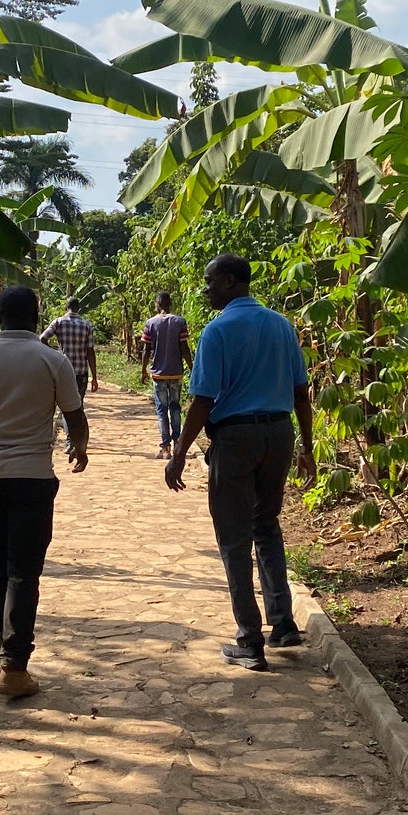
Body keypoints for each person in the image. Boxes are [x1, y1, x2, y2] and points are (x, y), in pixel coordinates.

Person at [165, 253, 315, 670]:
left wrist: (179, 452)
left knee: (233, 538)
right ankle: (283, 623)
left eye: (211, 281)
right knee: (266, 525)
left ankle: (249, 639)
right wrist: (307, 447)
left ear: (231, 281)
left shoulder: (218, 331)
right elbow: (301, 392)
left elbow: (204, 400)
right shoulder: (282, 326)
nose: (206, 288)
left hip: (235, 438)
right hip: (279, 433)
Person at [0, 284, 88, 699]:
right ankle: (14, 667)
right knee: (24, 567)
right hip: (31, 477)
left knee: (1, 551)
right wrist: (80, 448)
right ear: (37, 317)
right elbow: (74, 416)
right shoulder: (52, 360)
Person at [139, 290, 192, 458]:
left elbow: (146, 349)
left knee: (162, 410)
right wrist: (192, 368)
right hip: (176, 372)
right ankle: (177, 443)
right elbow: (185, 349)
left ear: (158, 304)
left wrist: (143, 370)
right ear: (170, 304)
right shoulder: (180, 322)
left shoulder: (151, 323)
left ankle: (165, 447)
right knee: (175, 407)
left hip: (158, 374)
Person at [41, 295, 99, 397]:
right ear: (79, 308)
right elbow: (90, 352)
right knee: (78, 405)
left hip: (63, 371)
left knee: (64, 404)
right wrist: (94, 377)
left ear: (66, 307)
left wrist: (55, 352)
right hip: (81, 373)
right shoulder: (87, 325)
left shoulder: (58, 322)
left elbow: (42, 339)